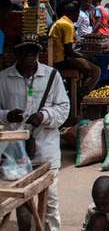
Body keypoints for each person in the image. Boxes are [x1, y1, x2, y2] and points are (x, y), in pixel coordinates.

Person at [0, 34, 69, 230]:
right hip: (15, 153)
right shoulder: (3, 79)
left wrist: (44, 116)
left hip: (46, 148)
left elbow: (64, 108)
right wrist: (7, 116)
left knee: (51, 201)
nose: (30, 55)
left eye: (34, 51)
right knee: (21, 202)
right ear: (16, 53)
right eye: (25, 51)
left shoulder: (52, 76)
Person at [49, 2, 101, 96]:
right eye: (77, 14)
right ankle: (80, 96)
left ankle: (75, 90)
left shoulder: (61, 22)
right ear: (72, 14)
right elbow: (69, 52)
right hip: (61, 60)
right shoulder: (67, 25)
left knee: (86, 67)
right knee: (96, 71)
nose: (78, 17)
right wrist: (86, 57)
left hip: (57, 58)